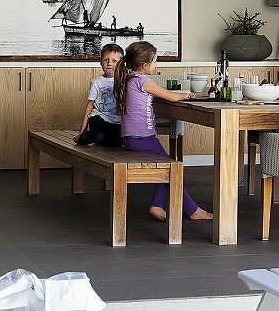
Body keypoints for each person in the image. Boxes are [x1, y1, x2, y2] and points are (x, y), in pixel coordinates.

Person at [114, 40, 212, 223]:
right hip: (143, 139)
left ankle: (157, 205)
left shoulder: (130, 79)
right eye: (155, 61)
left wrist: (181, 92)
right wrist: (186, 94)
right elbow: (172, 97)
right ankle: (192, 210)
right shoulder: (143, 80)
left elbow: (163, 93)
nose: (156, 64)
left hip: (131, 138)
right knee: (172, 169)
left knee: (166, 165)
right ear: (145, 65)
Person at [74, 43, 124, 146]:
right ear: (101, 62)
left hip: (116, 121)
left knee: (117, 142)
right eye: (106, 60)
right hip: (99, 117)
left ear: (121, 64)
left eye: (114, 61)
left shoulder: (124, 81)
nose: (109, 63)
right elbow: (90, 105)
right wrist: (83, 129)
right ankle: (83, 137)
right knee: (99, 136)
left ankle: (95, 138)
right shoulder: (97, 82)